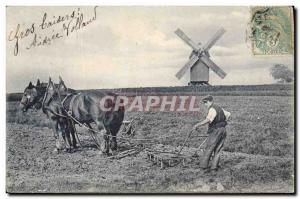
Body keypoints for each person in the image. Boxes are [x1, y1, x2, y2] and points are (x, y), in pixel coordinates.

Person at [192, 95, 230, 172]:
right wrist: (221, 121)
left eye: (205, 103)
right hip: (223, 129)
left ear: (210, 101)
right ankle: (214, 168)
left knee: (209, 148)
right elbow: (228, 114)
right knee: (218, 149)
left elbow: (208, 120)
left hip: (216, 130)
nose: (205, 105)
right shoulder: (219, 108)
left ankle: (203, 167)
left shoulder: (212, 109)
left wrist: (197, 125)